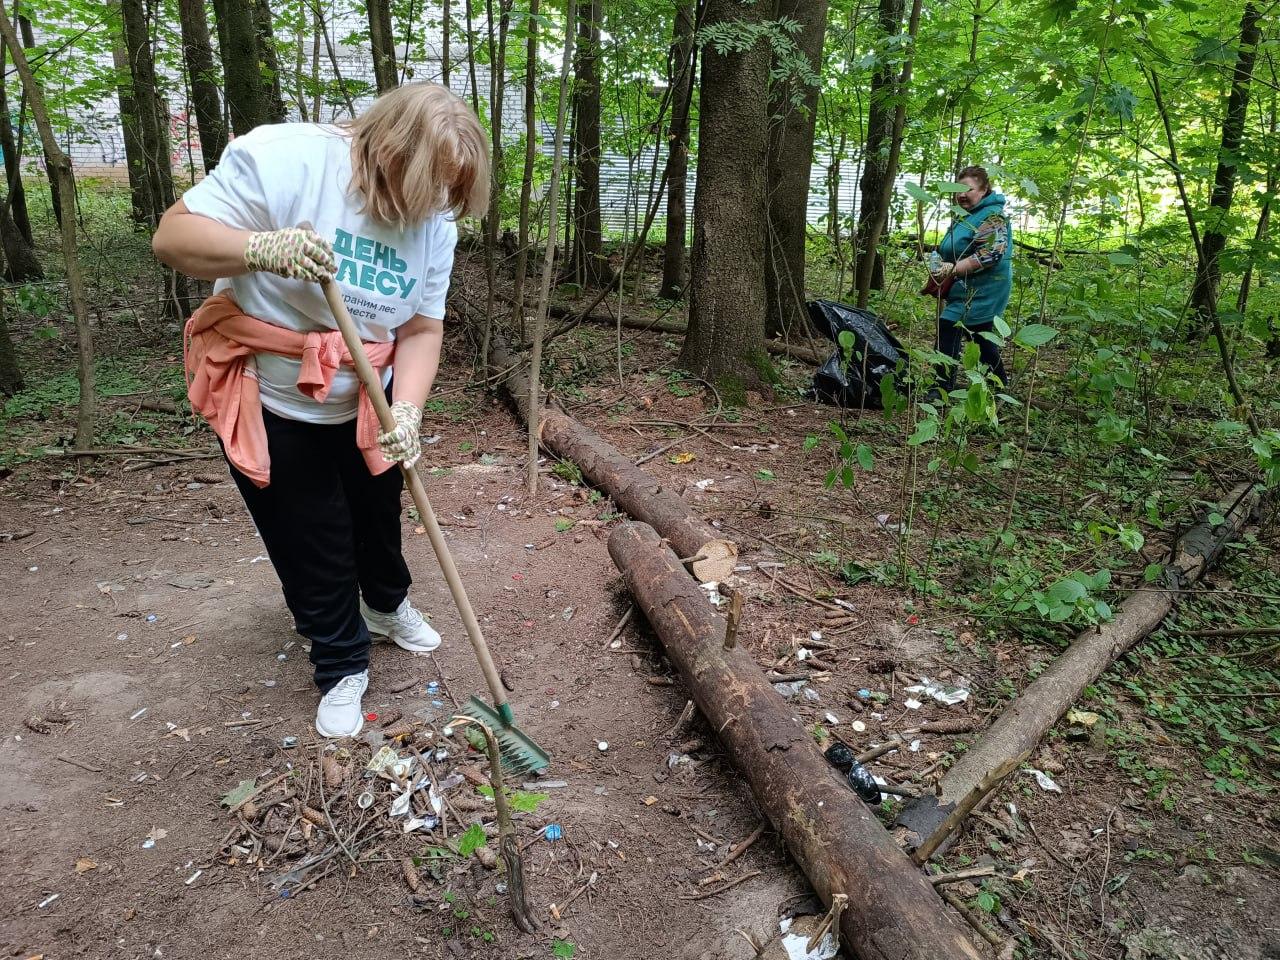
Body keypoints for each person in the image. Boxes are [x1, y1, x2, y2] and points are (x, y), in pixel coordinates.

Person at [153, 83, 489, 739]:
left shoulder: (435, 226)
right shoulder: (286, 160)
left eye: (450, 197)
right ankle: (340, 663)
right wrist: (259, 248)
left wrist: (410, 411)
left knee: (377, 516)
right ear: (385, 154)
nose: (436, 212)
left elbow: (421, 328)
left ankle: (387, 607)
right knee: (313, 537)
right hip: (273, 397)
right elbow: (173, 237)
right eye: (430, 192)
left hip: (368, 396)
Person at [927, 164, 1012, 393]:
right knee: (980, 337)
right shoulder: (967, 215)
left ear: (983, 190)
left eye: (969, 189)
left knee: (950, 326)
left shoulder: (992, 216)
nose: (962, 195)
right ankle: (1000, 385)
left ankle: (941, 388)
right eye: (958, 189)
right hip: (966, 287)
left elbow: (991, 254)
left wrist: (953, 269)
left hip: (985, 289)